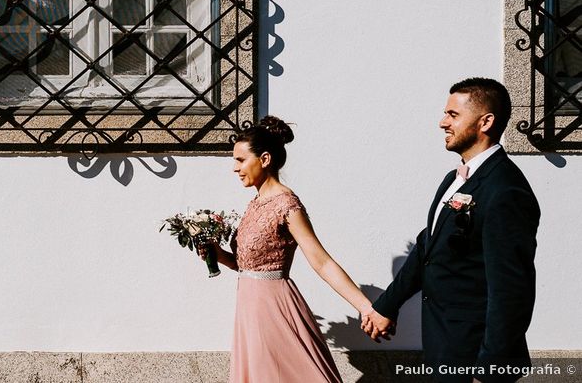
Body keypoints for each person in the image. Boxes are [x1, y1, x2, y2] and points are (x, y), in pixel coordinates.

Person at [362, 77, 540, 383]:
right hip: (443, 344)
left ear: (485, 122)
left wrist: (488, 371)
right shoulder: (453, 179)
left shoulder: (506, 191)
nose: (442, 122)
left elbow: (511, 292)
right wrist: (387, 306)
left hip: (474, 354)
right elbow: (426, 250)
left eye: (453, 115)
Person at [204, 115, 375, 383]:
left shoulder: (287, 204)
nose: (234, 168)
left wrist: (366, 307)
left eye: (240, 160)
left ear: (265, 159)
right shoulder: (255, 203)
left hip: (274, 308)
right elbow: (247, 265)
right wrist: (219, 255)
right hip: (249, 309)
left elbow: (321, 261)